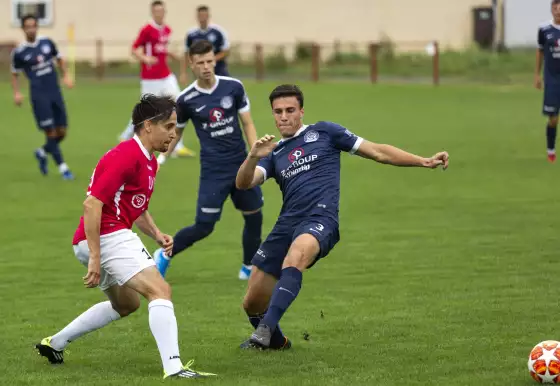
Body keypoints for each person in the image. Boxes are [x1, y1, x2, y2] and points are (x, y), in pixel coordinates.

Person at [235, 84, 450, 349]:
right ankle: (277, 342)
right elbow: (244, 183)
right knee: (252, 302)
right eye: (278, 111)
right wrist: (252, 157)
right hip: (286, 223)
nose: (284, 116)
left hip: (320, 218)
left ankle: (266, 328)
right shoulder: (274, 152)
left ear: (301, 111)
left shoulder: (325, 132)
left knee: (296, 256)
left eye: (290, 110)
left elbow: (378, 151)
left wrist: (423, 161)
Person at [34, 94, 215, 380]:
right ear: (147, 126)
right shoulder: (126, 155)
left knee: (127, 304)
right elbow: (92, 204)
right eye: (168, 126)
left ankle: (55, 343)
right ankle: (174, 368)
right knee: (160, 291)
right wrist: (96, 256)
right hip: (107, 235)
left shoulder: (149, 161)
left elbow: (136, 207)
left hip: (95, 238)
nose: (174, 133)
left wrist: (156, 234)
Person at [154, 40, 261, 281]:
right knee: (204, 225)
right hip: (213, 171)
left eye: (210, 61)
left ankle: (247, 267)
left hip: (241, 165)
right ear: (191, 64)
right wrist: (160, 161)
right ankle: (165, 253)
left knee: (254, 216)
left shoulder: (234, 87)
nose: (206, 66)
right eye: (200, 62)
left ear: (216, 61)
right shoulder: (186, 99)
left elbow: (247, 123)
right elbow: (176, 133)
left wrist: (255, 154)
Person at [118, 0, 195, 159]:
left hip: (166, 75)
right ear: (152, 13)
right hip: (150, 78)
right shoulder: (147, 29)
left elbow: (161, 48)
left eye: (161, 11)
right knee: (148, 111)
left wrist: (171, 54)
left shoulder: (167, 29)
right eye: (156, 11)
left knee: (178, 103)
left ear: (164, 12)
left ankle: (176, 146)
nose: (159, 13)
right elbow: (134, 49)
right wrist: (145, 58)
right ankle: (126, 136)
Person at [11, 14, 74, 180]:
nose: (31, 28)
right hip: (39, 96)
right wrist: (17, 92)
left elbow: (59, 59)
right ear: (23, 29)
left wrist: (66, 75)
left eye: (33, 25)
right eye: (28, 26)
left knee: (62, 131)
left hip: (55, 92)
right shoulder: (19, 52)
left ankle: (42, 152)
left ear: (37, 26)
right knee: (51, 132)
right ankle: (63, 168)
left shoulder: (47, 42)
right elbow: (15, 73)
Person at [180, 5, 230, 84]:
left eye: (204, 15)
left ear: (208, 16)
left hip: (219, 70)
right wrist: (184, 73)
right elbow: (187, 54)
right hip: (200, 72)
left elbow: (226, 51)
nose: (202, 18)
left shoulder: (218, 31)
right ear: (197, 17)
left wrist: (211, 59)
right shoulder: (191, 34)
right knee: (204, 92)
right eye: (200, 15)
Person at [536, 0, 560, 163]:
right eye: (555, 6)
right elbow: (539, 52)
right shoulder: (544, 29)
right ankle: (550, 149)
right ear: (551, 9)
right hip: (552, 80)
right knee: (553, 118)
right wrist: (537, 75)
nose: (558, 10)